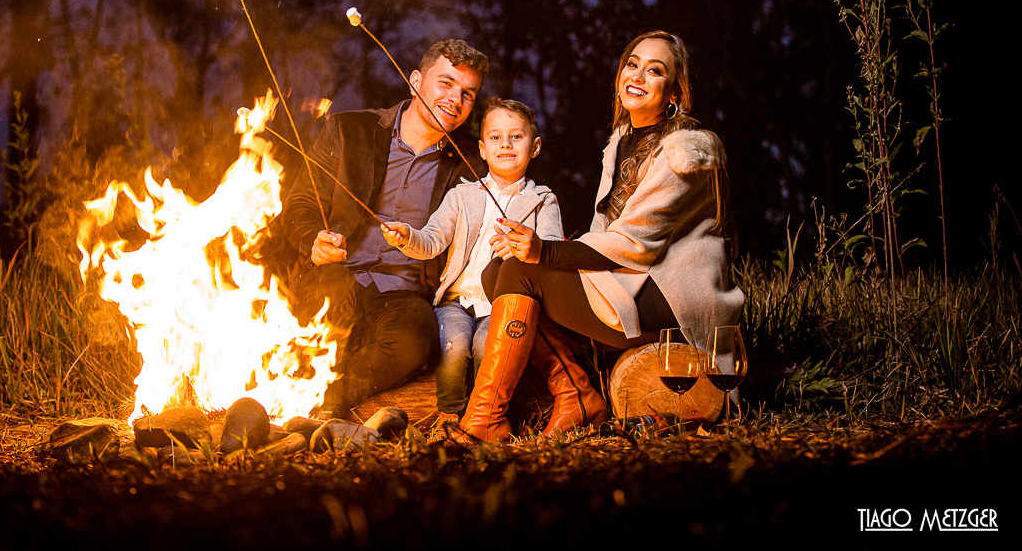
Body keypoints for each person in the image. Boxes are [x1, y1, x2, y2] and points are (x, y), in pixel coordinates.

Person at [457, 31, 745, 442]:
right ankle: (574, 396)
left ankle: (486, 418)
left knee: (519, 271)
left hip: (670, 296)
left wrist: (544, 251)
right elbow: (603, 231)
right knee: (497, 272)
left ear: (674, 93)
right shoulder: (621, 141)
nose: (638, 74)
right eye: (633, 63)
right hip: (629, 277)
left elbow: (635, 243)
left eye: (655, 70)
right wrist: (544, 255)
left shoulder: (684, 154)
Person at [279, 39, 490, 418]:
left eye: (467, 93)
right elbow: (302, 203)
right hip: (336, 274)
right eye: (445, 83)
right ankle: (282, 392)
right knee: (324, 308)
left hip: (405, 295)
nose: (454, 100)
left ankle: (320, 407)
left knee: (415, 339)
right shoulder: (350, 130)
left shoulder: (468, 168)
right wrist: (312, 240)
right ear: (415, 82)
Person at [380, 98, 563, 424]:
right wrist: (408, 235)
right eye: (495, 137)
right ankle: (450, 416)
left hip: (504, 304)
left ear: (534, 147)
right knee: (453, 346)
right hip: (457, 302)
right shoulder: (463, 195)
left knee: (485, 349)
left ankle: (486, 419)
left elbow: (551, 249)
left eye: (516, 137)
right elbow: (432, 239)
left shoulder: (543, 201)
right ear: (481, 149)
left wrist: (528, 246)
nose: (505, 144)